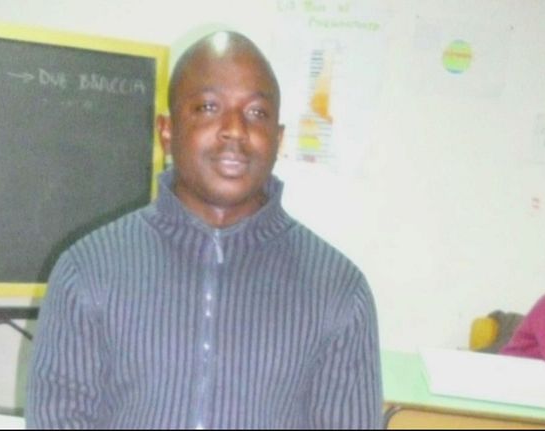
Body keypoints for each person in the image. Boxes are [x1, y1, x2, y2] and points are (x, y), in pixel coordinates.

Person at [26, 31, 383, 429]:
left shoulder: (338, 290)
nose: (235, 129)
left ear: (278, 139)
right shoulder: (87, 271)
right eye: (209, 107)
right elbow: (58, 419)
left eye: (257, 113)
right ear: (167, 131)